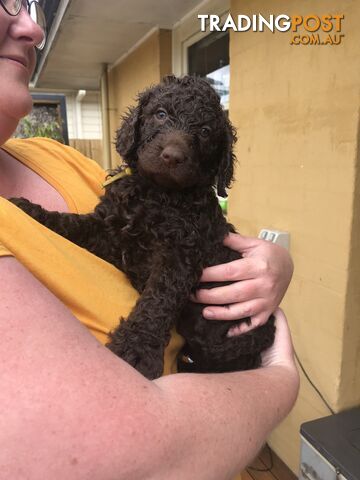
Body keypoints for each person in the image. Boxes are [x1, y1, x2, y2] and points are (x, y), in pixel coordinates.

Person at [0, 2, 299, 479]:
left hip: (225, 348)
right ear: (137, 129)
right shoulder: (126, 190)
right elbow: (103, 233)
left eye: (200, 135)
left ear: (216, 164)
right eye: (160, 117)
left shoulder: (66, 162)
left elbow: (164, 266)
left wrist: (275, 263)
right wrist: (282, 377)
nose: (175, 145)